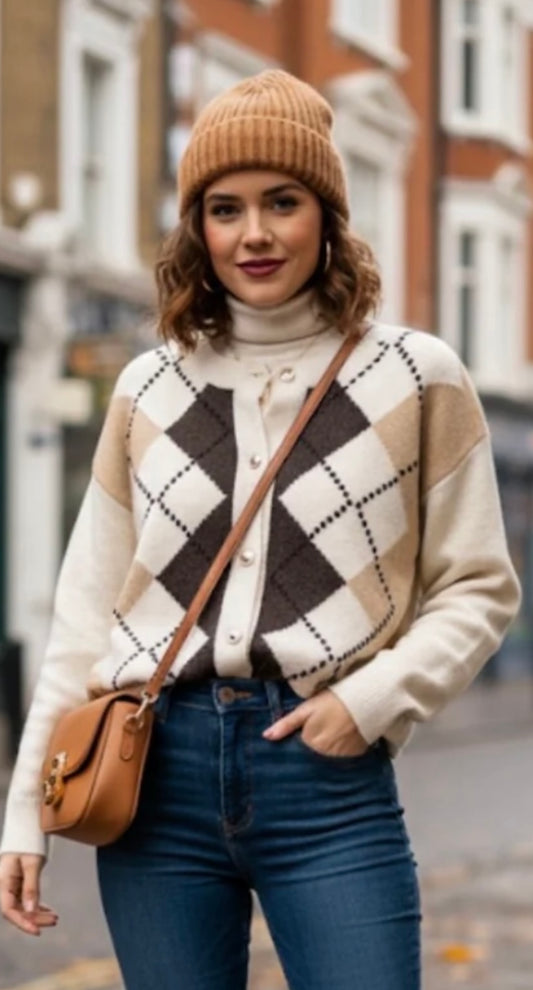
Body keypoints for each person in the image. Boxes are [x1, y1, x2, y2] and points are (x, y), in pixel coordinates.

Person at [0, 70, 521, 990]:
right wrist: (23, 811)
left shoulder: (415, 377)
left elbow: (477, 586)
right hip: (153, 779)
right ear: (196, 229)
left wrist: (370, 702)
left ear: (326, 216)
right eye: (224, 208)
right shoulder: (149, 390)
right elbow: (86, 615)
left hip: (324, 782)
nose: (254, 234)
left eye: (282, 201)